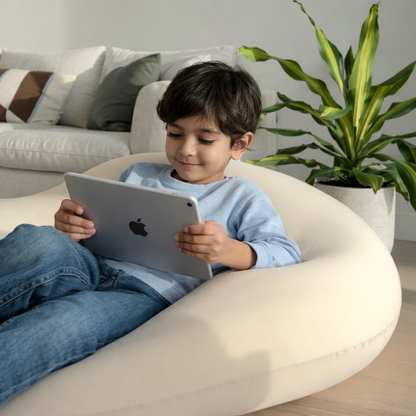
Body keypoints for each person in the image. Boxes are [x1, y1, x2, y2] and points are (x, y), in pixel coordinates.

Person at [0, 61, 301, 406]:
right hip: (89, 264)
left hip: (142, 295)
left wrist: (228, 250)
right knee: (36, 239)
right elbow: (95, 227)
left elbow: (286, 252)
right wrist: (73, 224)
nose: (186, 149)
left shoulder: (242, 196)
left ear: (240, 144)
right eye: (175, 134)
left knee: (62, 323)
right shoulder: (139, 172)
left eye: (204, 139)